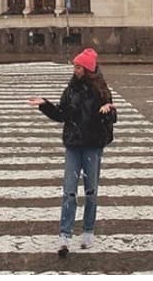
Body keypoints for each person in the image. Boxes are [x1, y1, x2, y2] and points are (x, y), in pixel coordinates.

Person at [28, 47, 117, 257]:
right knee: (69, 191)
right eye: (74, 66)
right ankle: (65, 234)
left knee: (91, 191)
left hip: (93, 145)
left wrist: (107, 112)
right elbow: (62, 114)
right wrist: (45, 105)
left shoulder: (101, 89)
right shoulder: (71, 88)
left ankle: (88, 230)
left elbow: (111, 117)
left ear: (86, 68)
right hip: (73, 145)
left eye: (78, 66)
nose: (74, 69)